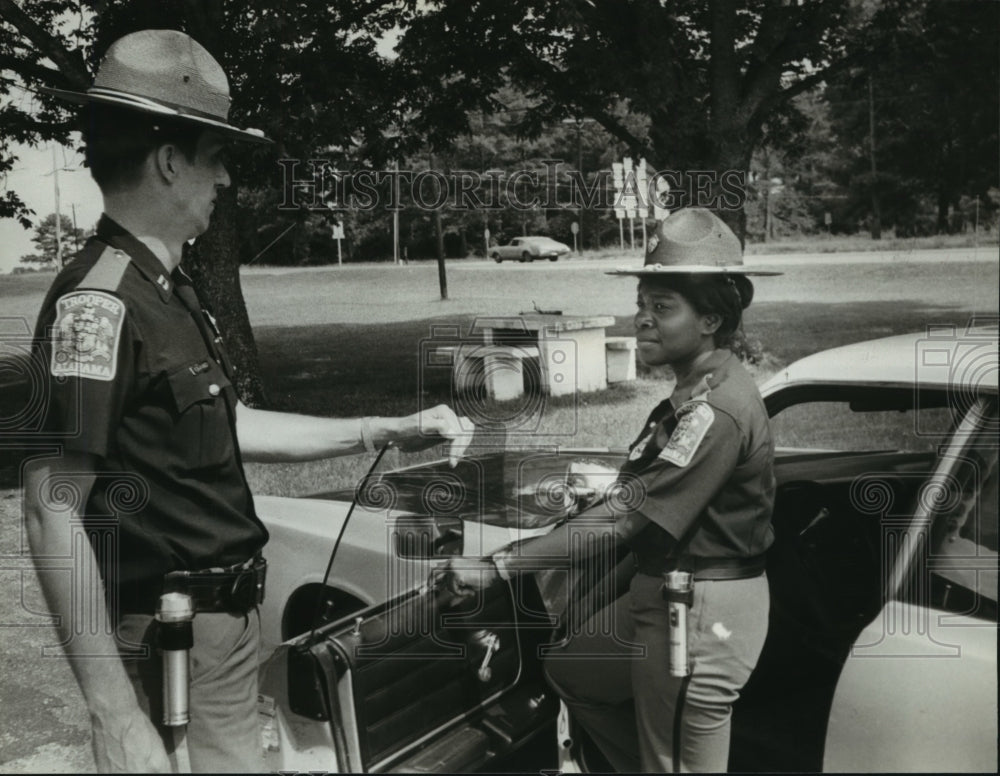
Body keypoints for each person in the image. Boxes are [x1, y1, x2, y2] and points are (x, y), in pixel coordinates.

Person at [23, 29, 470, 773]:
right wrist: (112, 714)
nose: (226, 180)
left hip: (222, 633)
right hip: (176, 639)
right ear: (170, 161)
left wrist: (381, 429)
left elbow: (229, 424)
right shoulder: (97, 304)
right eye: (217, 157)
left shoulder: (166, 290)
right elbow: (52, 505)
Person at [442, 207, 780, 772]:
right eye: (641, 305)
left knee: (675, 761)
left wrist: (497, 566)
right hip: (664, 589)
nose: (643, 320)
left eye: (662, 308)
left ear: (711, 321)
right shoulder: (697, 390)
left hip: (698, 609)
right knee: (574, 670)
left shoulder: (715, 409)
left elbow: (626, 521)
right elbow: (645, 496)